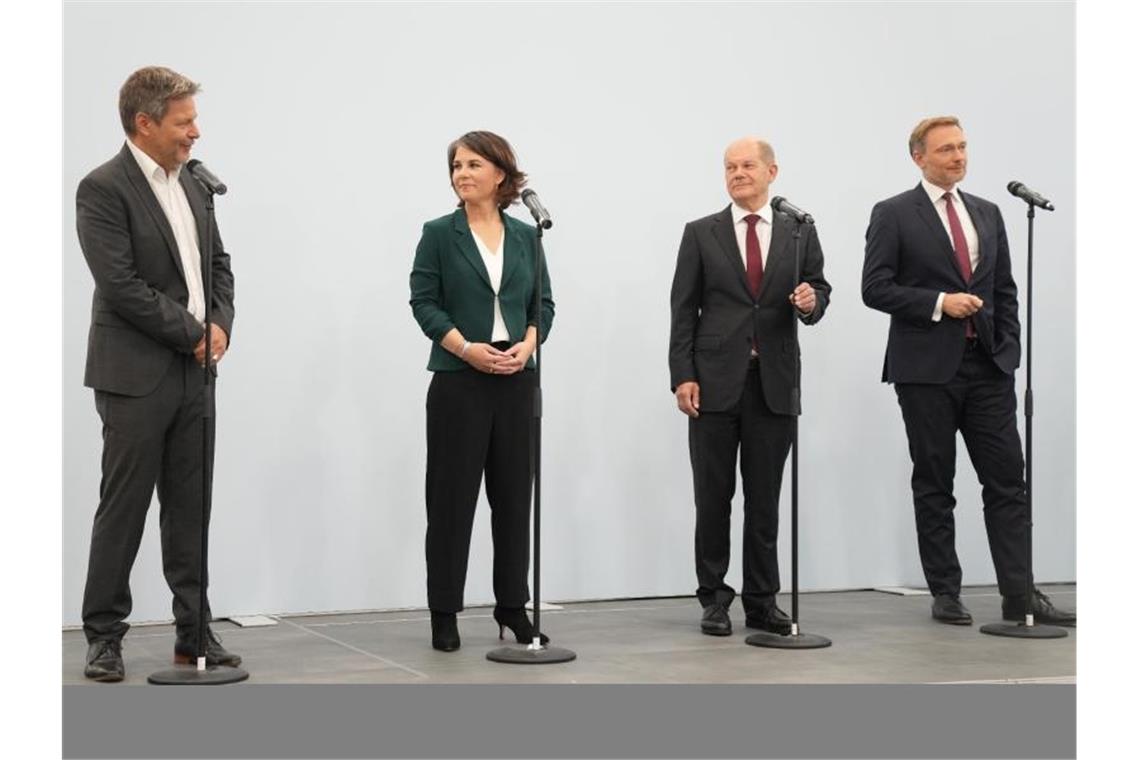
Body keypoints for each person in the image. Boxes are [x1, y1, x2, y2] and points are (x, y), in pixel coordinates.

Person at [861, 116, 1075, 626]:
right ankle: (945, 592)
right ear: (919, 157)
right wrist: (939, 302)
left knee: (1007, 482)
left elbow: (1004, 289)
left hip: (988, 368)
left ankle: (1019, 597)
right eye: (946, 150)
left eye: (961, 147)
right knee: (935, 482)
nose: (958, 157)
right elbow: (875, 288)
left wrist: (1010, 350)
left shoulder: (989, 211)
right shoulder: (893, 214)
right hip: (926, 372)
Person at [76, 66, 240, 681]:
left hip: (197, 372)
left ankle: (193, 632)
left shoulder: (196, 184)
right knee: (123, 508)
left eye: (194, 120)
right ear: (144, 124)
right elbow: (120, 286)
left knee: (191, 506)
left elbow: (218, 264)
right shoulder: (102, 188)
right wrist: (194, 334)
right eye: (184, 122)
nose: (195, 132)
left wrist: (220, 320)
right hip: (136, 374)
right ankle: (103, 636)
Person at [668, 137, 830, 637]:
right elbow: (683, 310)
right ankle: (714, 599)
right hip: (714, 385)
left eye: (747, 165)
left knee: (765, 499)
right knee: (713, 497)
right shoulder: (701, 233)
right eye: (729, 167)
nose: (737, 173)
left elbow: (820, 291)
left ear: (772, 171)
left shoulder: (799, 230)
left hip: (775, 383)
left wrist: (809, 301)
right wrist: (683, 375)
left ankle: (763, 600)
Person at [409, 130, 555, 651]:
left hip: (516, 380)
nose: (462, 174)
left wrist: (528, 345)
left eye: (473, 164)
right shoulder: (437, 233)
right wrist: (465, 347)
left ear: (500, 173)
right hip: (459, 382)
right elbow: (423, 302)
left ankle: (512, 608)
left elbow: (544, 305)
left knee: (514, 501)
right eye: (456, 166)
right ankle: (444, 612)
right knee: (450, 504)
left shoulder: (526, 235)